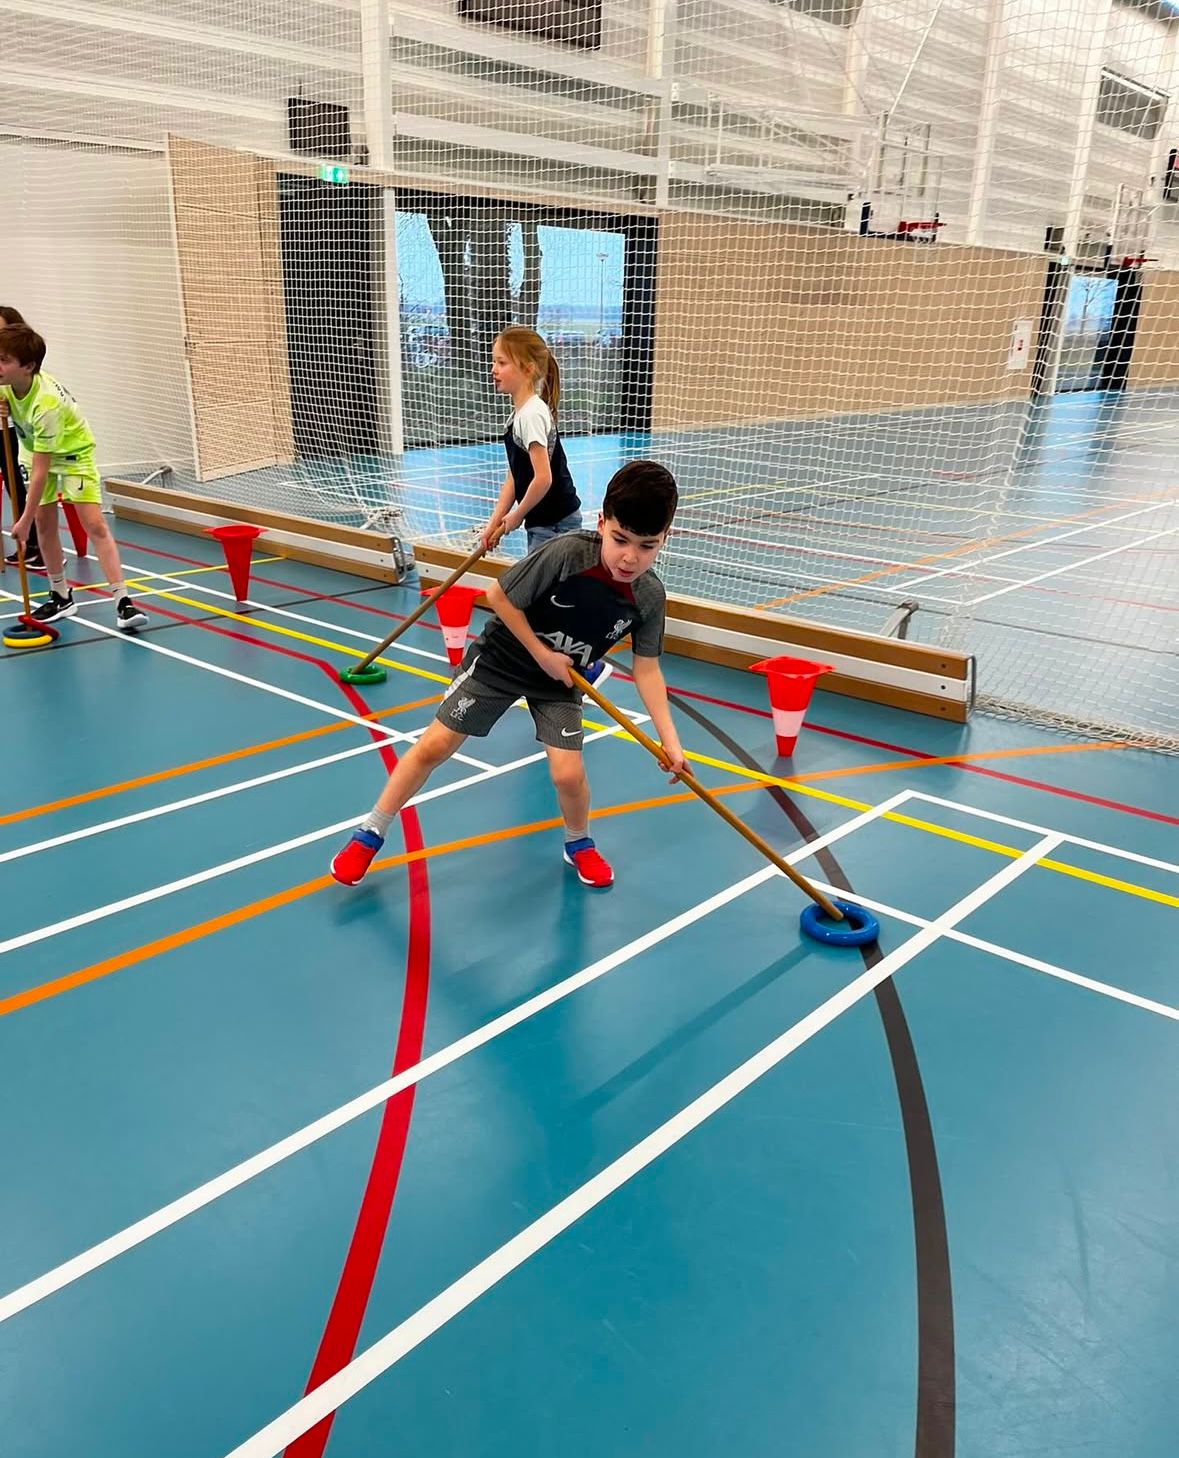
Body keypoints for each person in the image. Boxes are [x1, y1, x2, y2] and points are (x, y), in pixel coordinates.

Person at [332, 459, 684, 891]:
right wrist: (542, 653)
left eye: (647, 546)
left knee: (568, 775)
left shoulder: (649, 597)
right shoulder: (567, 553)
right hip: (502, 661)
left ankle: (579, 842)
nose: (630, 557)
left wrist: (670, 740)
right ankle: (370, 832)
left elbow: (648, 669)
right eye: (620, 539)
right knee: (435, 745)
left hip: (558, 683)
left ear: (666, 538)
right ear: (601, 522)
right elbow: (497, 595)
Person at [0, 323, 148, 629]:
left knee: (94, 524)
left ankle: (123, 602)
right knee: (45, 522)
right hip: (34, 451)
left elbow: (42, 471)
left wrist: (23, 519)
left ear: (27, 366)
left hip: (72, 456)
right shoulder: (5, 386)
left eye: (3, 360)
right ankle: (60, 596)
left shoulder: (47, 405)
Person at [481, 327, 582, 555]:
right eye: (494, 362)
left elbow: (544, 478)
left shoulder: (531, 415)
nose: (493, 369)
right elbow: (514, 478)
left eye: (502, 363)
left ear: (527, 368)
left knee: (540, 589)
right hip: (544, 522)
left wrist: (517, 515)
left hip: (556, 523)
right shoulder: (519, 415)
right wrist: (494, 523)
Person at [0, 306, 42, 570]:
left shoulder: (19, 365)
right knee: (11, 487)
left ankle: (38, 544)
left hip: (16, 433)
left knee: (20, 485)